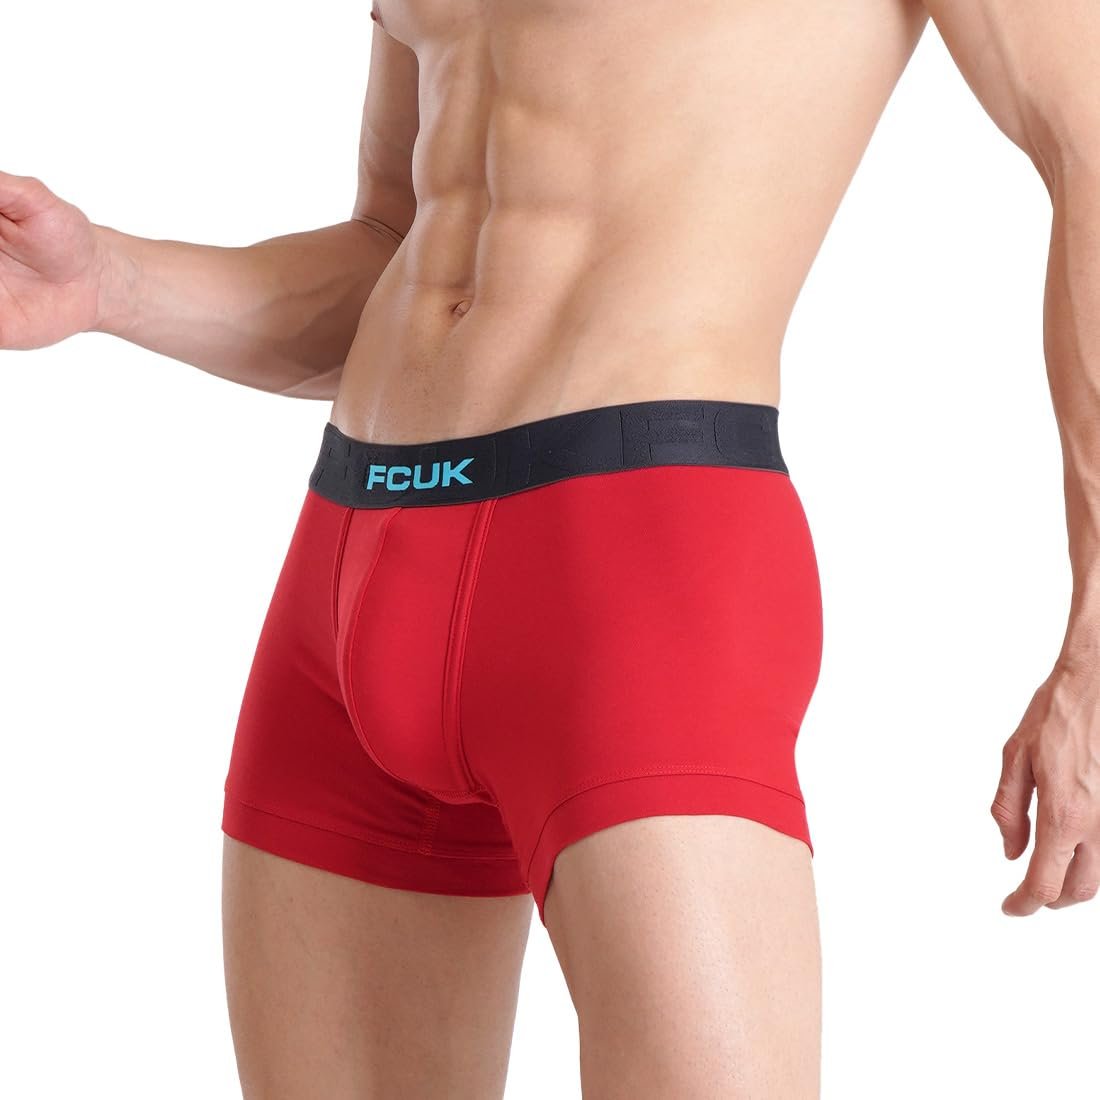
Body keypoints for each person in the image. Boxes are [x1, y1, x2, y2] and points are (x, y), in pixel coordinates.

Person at [2, 2, 1098, 1097]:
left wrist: (1092, 652)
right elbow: (394, 248)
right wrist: (110, 283)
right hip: (348, 566)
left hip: (631, 566)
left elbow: (1086, 147)